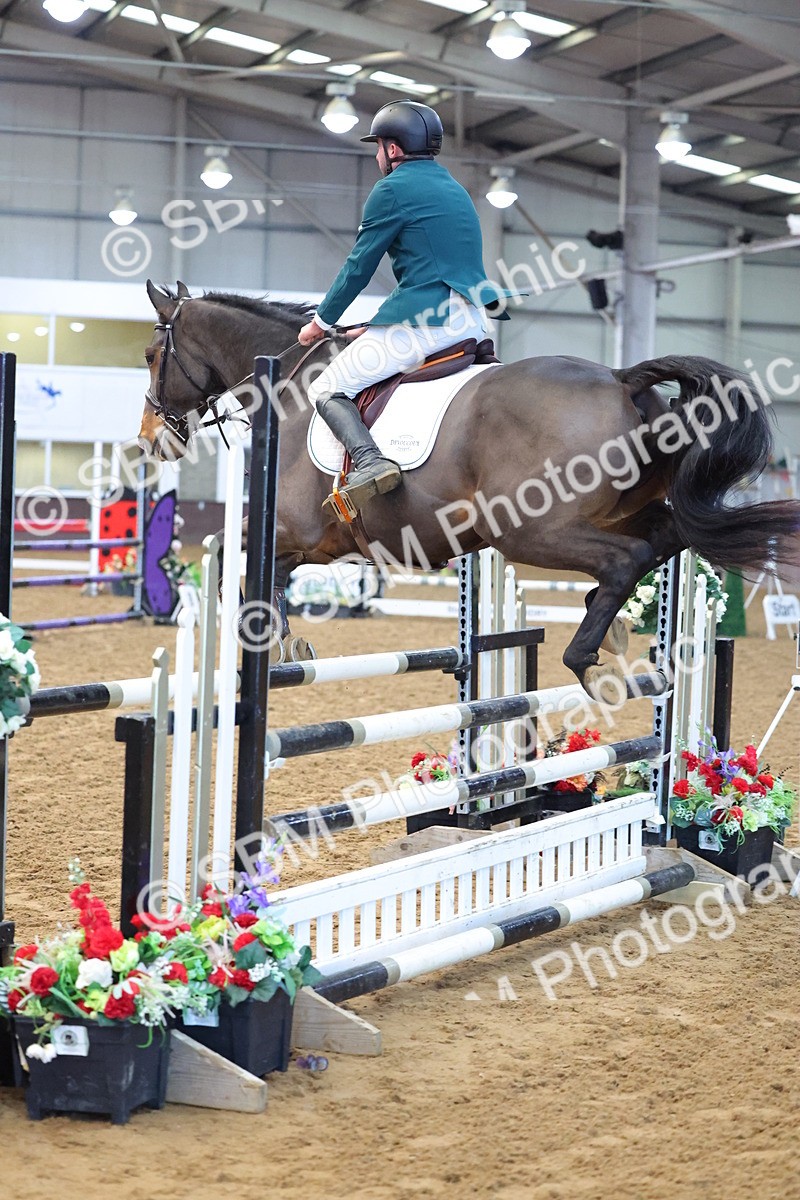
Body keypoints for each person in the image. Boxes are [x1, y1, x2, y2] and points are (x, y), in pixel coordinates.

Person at [299, 98, 516, 513]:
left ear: (393, 149)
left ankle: (369, 461)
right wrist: (376, 327)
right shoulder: (454, 188)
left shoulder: (392, 189)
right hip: (471, 321)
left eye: (379, 145)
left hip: (426, 324)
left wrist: (320, 322)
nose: (378, 154)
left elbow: (359, 265)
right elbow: (437, 266)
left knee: (325, 386)